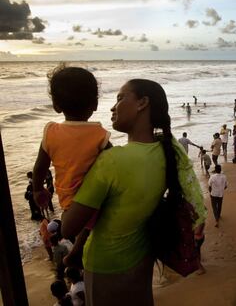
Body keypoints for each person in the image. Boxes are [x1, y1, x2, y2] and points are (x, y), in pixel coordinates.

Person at [62, 79, 206, 305]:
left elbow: (68, 226)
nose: (112, 107)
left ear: (142, 103)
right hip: (142, 259)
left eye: (120, 98)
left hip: (104, 266)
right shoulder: (167, 151)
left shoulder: (112, 161)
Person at [32, 65, 111, 269]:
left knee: (72, 227)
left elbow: (40, 167)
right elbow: (113, 163)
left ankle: (76, 253)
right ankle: (77, 253)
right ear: (94, 104)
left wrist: (38, 190)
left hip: (67, 198)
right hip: (94, 199)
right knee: (90, 223)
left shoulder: (51, 132)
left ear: (56, 105)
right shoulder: (100, 135)